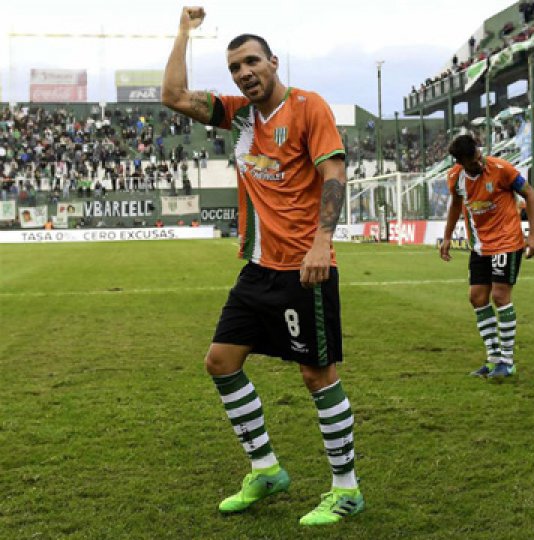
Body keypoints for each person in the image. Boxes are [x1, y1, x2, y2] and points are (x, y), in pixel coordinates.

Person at [161, 7, 363, 526]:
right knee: (220, 362)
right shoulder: (240, 115)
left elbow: (334, 171)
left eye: (251, 62)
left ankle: (346, 489)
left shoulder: (307, 107)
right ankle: (266, 469)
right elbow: (174, 97)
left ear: (273, 62)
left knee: (316, 375)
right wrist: (184, 33)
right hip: (257, 268)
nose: (244, 73)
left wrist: (323, 242)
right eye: (234, 67)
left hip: (305, 267)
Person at [440, 134, 534, 380]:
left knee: (499, 294)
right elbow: (455, 205)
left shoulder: (501, 169)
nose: (480, 162)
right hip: (480, 246)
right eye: (474, 161)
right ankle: (493, 359)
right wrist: (448, 236)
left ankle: (507, 361)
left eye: (479, 155)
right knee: (476, 297)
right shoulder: (456, 178)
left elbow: (530, 194)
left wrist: (533, 235)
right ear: (460, 162)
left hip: (507, 241)